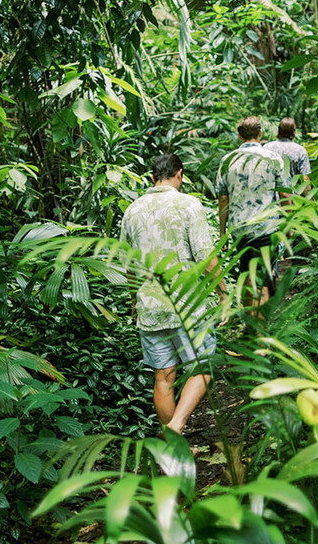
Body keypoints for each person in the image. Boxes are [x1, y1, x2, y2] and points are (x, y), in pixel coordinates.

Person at [120, 153, 227, 434]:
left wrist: (134, 302)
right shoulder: (189, 205)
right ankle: (177, 425)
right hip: (187, 305)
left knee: (164, 378)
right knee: (203, 366)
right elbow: (205, 256)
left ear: (153, 176)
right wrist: (225, 294)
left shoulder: (132, 210)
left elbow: (129, 266)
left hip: (150, 305)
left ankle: (175, 447)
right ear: (179, 174)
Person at [215, 116, 290, 302]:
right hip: (266, 227)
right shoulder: (273, 159)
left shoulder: (228, 160)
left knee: (248, 272)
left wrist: (222, 233)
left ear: (239, 136)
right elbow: (285, 195)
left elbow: (223, 199)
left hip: (240, 229)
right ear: (260, 133)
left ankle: (250, 322)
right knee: (261, 277)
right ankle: (258, 326)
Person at [264, 117, 311, 196]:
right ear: (293, 131)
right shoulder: (300, 150)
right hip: (290, 198)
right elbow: (304, 179)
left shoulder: (267, 148)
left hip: (269, 197)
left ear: (279, 130)